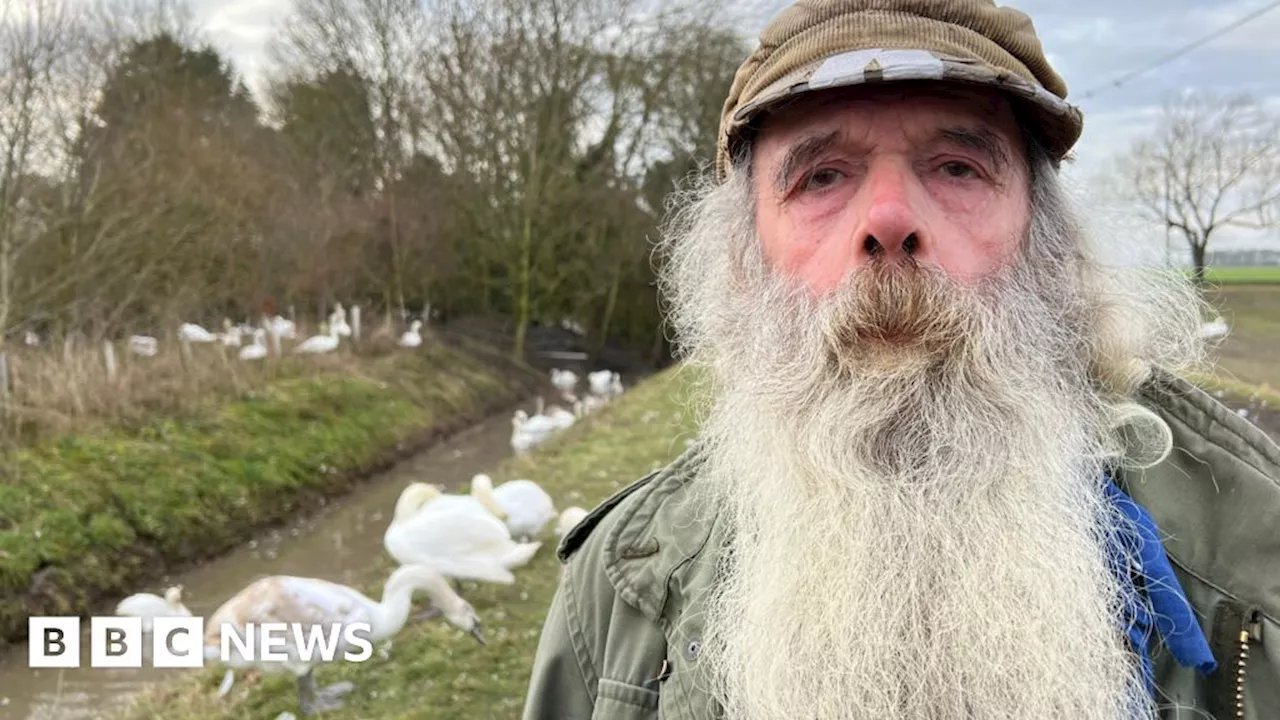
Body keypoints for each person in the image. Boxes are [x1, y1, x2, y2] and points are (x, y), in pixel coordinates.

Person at [523, 1, 1280, 718]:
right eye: (821, 175)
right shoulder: (615, 593)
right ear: (744, 260)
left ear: (1048, 247)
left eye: (957, 167)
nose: (888, 222)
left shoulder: (1256, 578)